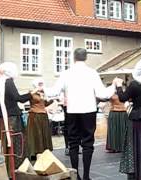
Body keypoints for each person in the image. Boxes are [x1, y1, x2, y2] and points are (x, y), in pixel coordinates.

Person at [44, 48, 115, 180]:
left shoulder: (66, 73)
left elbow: (53, 92)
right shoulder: (92, 73)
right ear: (86, 58)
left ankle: (75, 175)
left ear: (74, 58)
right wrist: (114, 86)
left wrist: (43, 88)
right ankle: (87, 176)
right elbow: (102, 94)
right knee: (88, 143)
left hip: (72, 111)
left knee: (73, 143)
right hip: (89, 111)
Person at [0, 62, 32, 174]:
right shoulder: (8, 82)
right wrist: (30, 94)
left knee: (5, 143)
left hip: (3, 118)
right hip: (12, 118)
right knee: (17, 142)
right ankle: (16, 169)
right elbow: (18, 98)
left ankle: (5, 169)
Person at [26, 78, 53, 160]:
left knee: (44, 134)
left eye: (42, 84)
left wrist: (51, 99)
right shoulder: (32, 92)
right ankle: (36, 152)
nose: (41, 85)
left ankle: (44, 151)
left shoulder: (43, 93)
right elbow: (32, 100)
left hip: (43, 116)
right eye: (39, 84)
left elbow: (45, 103)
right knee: (36, 135)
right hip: (35, 116)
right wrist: (38, 93)